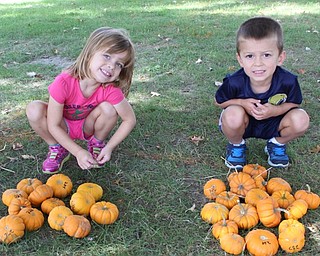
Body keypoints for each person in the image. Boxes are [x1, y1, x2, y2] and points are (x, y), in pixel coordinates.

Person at [26, 27, 136, 174]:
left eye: (119, 64)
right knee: (34, 109)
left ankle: (97, 143)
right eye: (107, 56)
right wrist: (78, 152)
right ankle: (57, 147)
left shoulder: (110, 89)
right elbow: (53, 125)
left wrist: (109, 147)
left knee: (109, 108)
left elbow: (129, 119)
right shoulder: (63, 82)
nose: (111, 66)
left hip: (87, 126)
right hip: (61, 125)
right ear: (90, 53)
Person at [215, 16, 309, 169]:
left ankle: (277, 144)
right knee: (232, 114)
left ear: (280, 57)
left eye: (266, 55)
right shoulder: (235, 81)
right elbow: (219, 101)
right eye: (250, 56)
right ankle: (236, 145)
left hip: (274, 121)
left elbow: (294, 102)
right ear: (240, 59)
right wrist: (241, 103)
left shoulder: (288, 81)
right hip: (243, 121)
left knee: (301, 119)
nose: (258, 63)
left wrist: (276, 110)